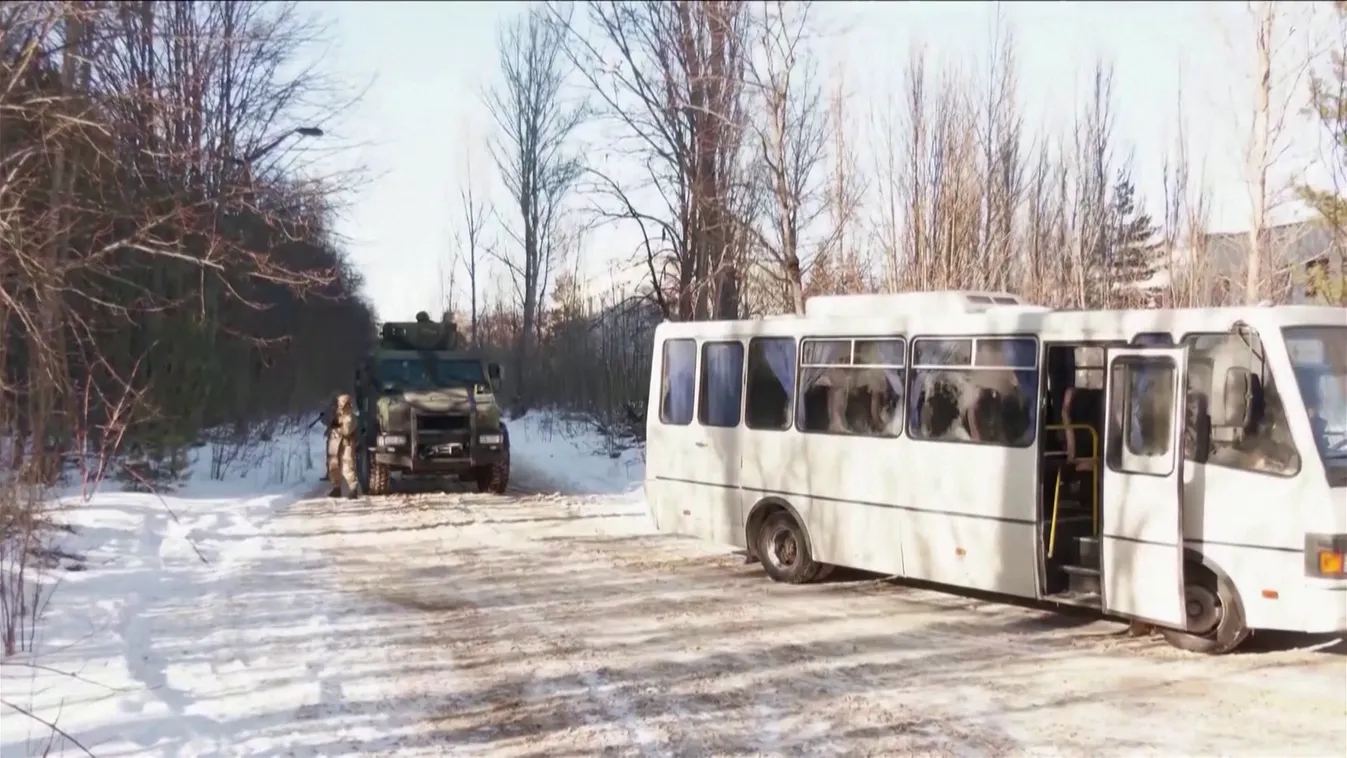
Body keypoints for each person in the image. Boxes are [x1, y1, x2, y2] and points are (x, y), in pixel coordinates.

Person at [327, 393, 361, 499]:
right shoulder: (337, 415)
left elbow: (346, 431)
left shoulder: (350, 417)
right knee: (334, 466)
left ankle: (353, 489)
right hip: (335, 444)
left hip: (346, 444)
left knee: (348, 467)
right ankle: (336, 488)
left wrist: (337, 426)